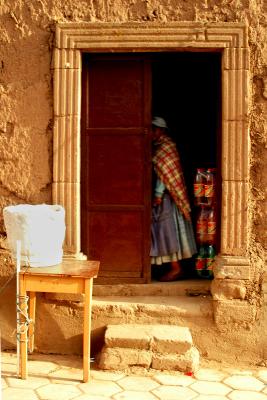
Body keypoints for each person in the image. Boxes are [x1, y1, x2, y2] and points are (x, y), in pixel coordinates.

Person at [150, 116, 197, 281]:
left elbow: (164, 176)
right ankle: (172, 267)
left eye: (153, 129)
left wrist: (157, 194)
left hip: (168, 199)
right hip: (167, 199)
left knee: (170, 233)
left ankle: (176, 268)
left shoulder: (166, 147)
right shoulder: (157, 147)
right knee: (166, 232)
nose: (151, 133)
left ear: (161, 131)